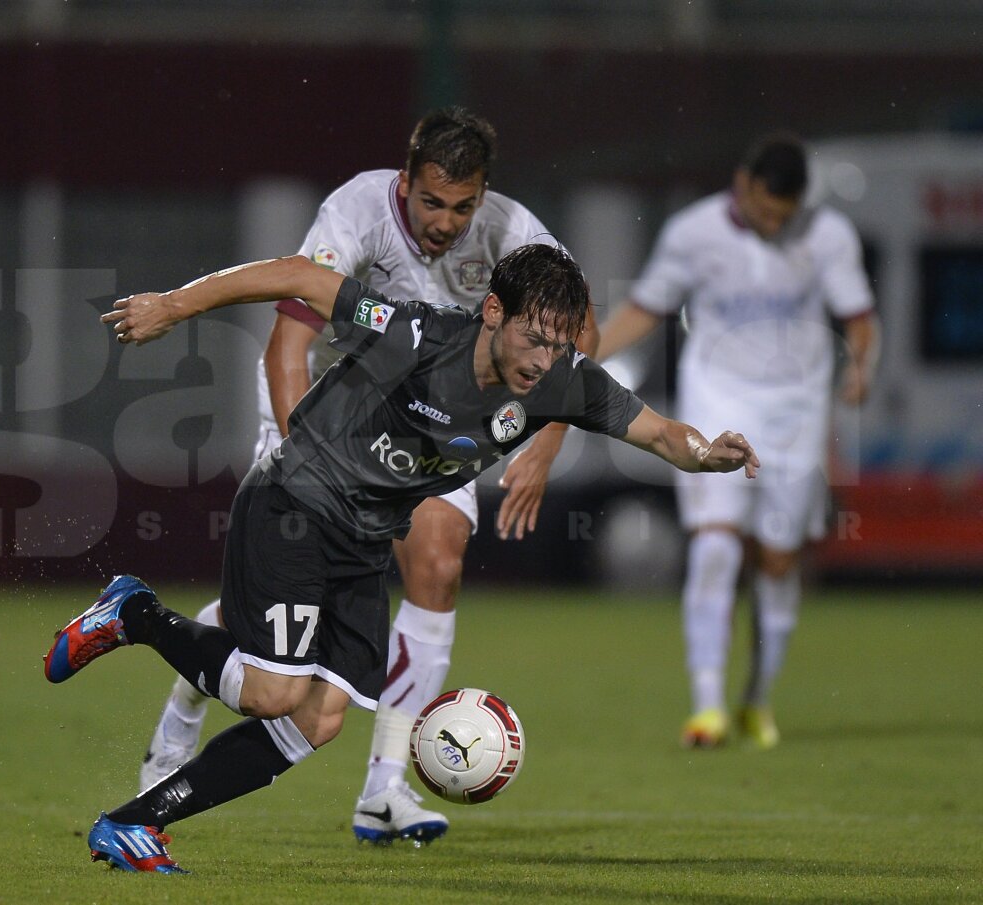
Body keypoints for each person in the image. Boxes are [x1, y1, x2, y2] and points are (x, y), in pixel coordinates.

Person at [43, 242, 759, 874]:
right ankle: (133, 614)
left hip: (363, 541)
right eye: (534, 338)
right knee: (272, 695)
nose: (542, 360)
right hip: (296, 502)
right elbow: (297, 274)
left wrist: (709, 453)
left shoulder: (562, 380)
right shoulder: (415, 335)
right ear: (493, 311)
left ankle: (134, 823)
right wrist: (174, 305)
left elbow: (661, 434)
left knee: (318, 721)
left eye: (558, 345)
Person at [136, 107, 592, 845]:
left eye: (463, 206)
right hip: (324, 412)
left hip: (432, 421)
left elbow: (579, 324)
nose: (446, 222)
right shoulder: (356, 211)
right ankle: (179, 719)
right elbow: (288, 343)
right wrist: (311, 474)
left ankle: (384, 788)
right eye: (432, 202)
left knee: (438, 566)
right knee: (277, 617)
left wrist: (547, 441)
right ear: (405, 182)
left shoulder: (511, 230)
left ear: (483, 195)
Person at [595, 133, 879, 750]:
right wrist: (584, 358)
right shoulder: (693, 233)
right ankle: (707, 706)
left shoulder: (828, 235)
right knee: (716, 544)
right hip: (717, 399)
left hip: (797, 411)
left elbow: (860, 319)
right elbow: (646, 306)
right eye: (766, 211)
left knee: (778, 560)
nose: (774, 225)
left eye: (785, 216)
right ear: (743, 184)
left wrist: (861, 367)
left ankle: (757, 698)